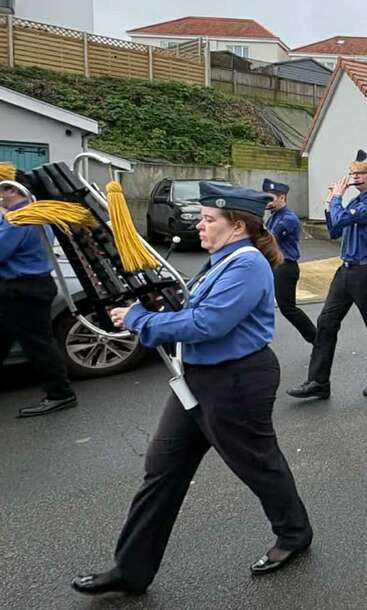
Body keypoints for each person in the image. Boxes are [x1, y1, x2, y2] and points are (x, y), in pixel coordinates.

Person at [73, 184, 313, 596]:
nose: (199, 225)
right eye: (201, 217)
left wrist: (139, 320)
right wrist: (155, 308)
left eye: (208, 219)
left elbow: (208, 324)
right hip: (197, 377)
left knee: (256, 463)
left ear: (237, 226)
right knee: (161, 469)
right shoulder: (220, 260)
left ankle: (294, 534)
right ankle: (131, 570)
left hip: (237, 380)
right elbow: (191, 310)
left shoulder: (247, 264)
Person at [287, 150, 367, 400]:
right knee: (326, 323)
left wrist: (337, 197)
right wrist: (330, 203)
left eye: (360, 173)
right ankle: (318, 381)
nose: (354, 177)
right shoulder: (356, 202)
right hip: (346, 269)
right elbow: (335, 229)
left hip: (366, 270)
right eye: (352, 173)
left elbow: (341, 220)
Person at [0, 168, 77, 418]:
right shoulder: (31, 213)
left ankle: (61, 394)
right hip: (24, 287)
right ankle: (60, 393)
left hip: (24, 290)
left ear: (11, 190)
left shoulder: (20, 218)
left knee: (39, 344)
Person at [263, 179, 316, 345]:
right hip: (273, 266)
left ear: (281, 197)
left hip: (286, 268)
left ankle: (318, 340)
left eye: (269, 199)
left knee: (288, 308)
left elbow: (268, 239)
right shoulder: (274, 216)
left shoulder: (288, 218)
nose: (267, 203)